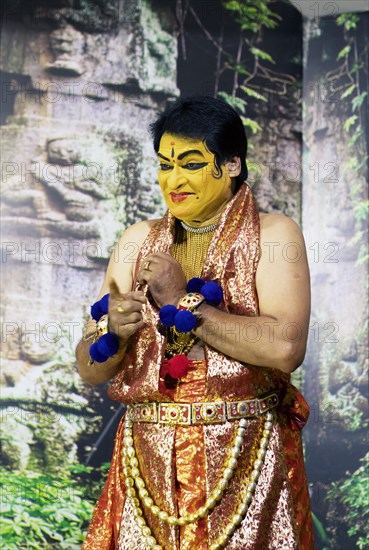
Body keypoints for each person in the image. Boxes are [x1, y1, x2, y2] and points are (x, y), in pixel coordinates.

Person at [76, 96, 314, 549]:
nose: (174, 180)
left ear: (231, 165)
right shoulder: (137, 240)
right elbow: (90, 368)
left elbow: (286, 349)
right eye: (165, 165)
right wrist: (113, 335)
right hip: (144, 467)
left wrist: (181, 301)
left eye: (190, 163)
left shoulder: (274, 234)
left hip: (246, 464)